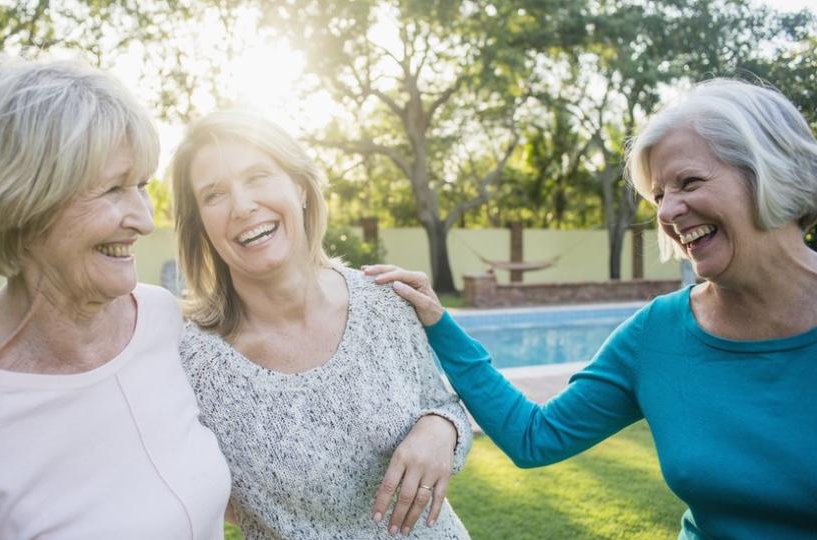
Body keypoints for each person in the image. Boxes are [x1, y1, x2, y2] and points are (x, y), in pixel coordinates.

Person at [365, 78, 817, 540]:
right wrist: (440, 325)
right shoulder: (656, 334)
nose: (667, 212)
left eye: (689, 182)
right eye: (659, 195)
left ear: (772, 173)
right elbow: (534, 437)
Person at [0, 54, 231, 539]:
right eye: (112, 189)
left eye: (141, 185)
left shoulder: (163, 321)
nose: (144, 219)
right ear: (17, 203)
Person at [170, 110, 473, 539]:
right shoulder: (190, 361)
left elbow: (443, 402)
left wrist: (441, 429)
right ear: (200, 223)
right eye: (214, 195)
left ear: (300, 187)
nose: (242, 206)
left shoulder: (386, 300)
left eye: (257, 176)